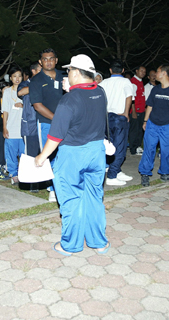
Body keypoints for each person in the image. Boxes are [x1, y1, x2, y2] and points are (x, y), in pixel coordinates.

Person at [35, 54, 110, 256]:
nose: (67, 74)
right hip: (96, 152)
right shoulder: (100, 92)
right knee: (94, 198)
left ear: (76, 72)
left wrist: (41, 157)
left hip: (73, 155)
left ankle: (70, 244)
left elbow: (55, 136)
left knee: (71, 200)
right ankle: (99, 242)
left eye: (69, 70)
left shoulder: (68, 100)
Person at [30, 48, 64, 202]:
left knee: (65, 154)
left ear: (56, 60)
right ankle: (52, 189)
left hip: (66, 123)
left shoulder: (64, 76)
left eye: (51, 58)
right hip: (46, 123)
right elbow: (37, 105)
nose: (48, 62)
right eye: (45, 59)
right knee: (49, 155)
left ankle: (63, 184)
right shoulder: (36, 80)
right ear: (40, 62)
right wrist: (57, 119)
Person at [99, 60, 133, 186]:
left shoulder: (104, 82)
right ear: (123, 70)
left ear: (110, 70)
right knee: (120, 147)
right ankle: (112, 176)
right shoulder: (126, 81)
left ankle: (117, 170)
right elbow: (129, 96)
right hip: (119, 118)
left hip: (106, 118)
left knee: (110, 145)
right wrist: (126, 113)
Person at [18, 62, 42, 190]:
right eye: (41, 70)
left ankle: (44, 181)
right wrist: (38, 84)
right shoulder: (26, 83)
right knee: (31, 155)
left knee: (43, 153)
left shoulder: (45, 83)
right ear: (34, 71)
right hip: (30, 126)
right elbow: (20, 92)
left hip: (43, 124)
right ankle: (32, 184)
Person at [2, 66, 26, 182]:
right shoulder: (7, 92)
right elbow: (5, 111)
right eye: (14, 76)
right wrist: (4, 127)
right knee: (11, 152)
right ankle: (13, 173)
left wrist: (23, 106)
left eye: (19, 76)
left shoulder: (26, 90)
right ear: (10, 78)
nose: (17, 78)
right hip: (11, 127)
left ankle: (24, 174)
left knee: (24, 153)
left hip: (24, 128)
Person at [128, 66, 146, 155]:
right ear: (136, 71)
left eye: (144, 72)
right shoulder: (133, 82)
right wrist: (133, 111)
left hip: (142, 110)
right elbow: (131, 98)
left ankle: (138, 146)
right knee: (134, 130)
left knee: (139, 129)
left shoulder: (140, 81)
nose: (143, 73)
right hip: (136, 110)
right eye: (141, 71)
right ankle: (133, 149)